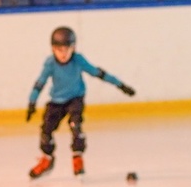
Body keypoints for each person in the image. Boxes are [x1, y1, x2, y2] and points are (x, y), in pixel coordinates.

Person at [25, 26, 135, 178]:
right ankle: (47, 159)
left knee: (75, 125)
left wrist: (120, 85)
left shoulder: (78, 60)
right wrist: (32, 102)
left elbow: (97, 73)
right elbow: (40, 82)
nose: (63, 54)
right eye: (59, 50)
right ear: (52, 49)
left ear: (73, 48)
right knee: (46, 130)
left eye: (66, 49)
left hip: (75, 98)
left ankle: (77, 157)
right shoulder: (50, 63)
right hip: (56, 101)